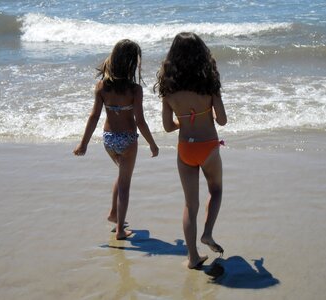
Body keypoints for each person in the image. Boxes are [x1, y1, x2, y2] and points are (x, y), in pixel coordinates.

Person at [155, 32, 227, 269]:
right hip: (208, 147)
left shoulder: (168, 90)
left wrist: (183, 121)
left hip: (185, 148)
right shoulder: (210, 84)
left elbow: (167, 127)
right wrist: (208, 114)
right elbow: (223, 120)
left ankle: (193, 258)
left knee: (190, 205)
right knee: (215, 190)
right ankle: (207, 232)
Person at [74, 39, 159, 240]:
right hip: (128, 140)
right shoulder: (134, 90)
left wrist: (83, 143)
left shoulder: (102, 86)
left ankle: (114, 214)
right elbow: (140, 121)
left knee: (122, 176)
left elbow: (94, 116)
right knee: (125, 184)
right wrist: (152, 144)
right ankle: (120, 230)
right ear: (131, 64)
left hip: (109, 139)